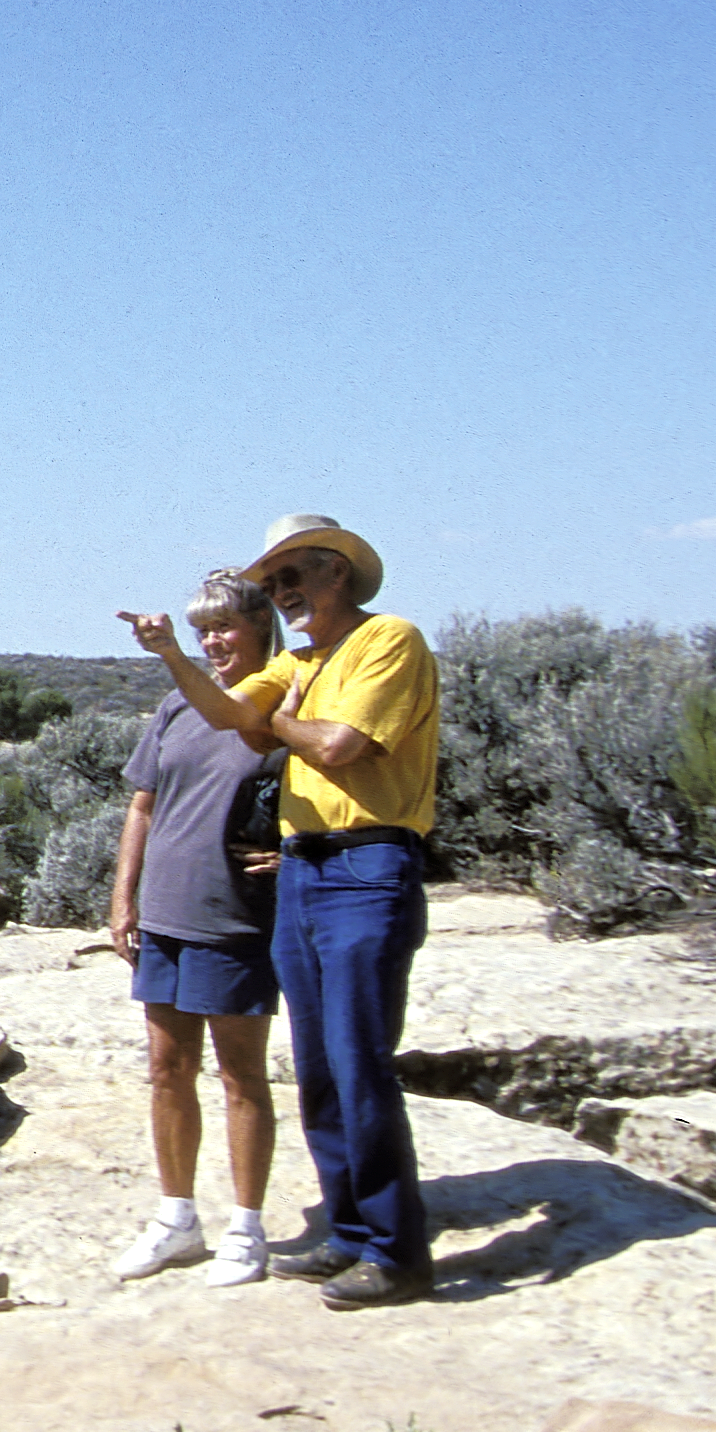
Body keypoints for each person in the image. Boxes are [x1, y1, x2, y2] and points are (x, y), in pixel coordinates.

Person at [121, 512, 441, 1310]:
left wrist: (281, 719)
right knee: (320, 1065)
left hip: (367, 862)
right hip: (304, 865)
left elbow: (336, 746)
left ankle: (397, 1251)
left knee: (359, 1056)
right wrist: (170, 655)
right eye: (275, 582)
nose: (285, 592)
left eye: (294, 575)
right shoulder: (301, 659)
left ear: (339, 571)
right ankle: (349, 1233)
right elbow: (229, 712)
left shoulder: (386, 641)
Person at [106, 572, 284, 1286]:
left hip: (234, 917)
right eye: (203, 631)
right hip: (167, 912)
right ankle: (176, 1217)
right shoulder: (177, 706)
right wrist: (123, 899)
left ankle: (246, 1227)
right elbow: (142, 806)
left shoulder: (280, 708)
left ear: (258, 629)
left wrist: (296, 852)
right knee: (165, 1069)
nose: (212, 642)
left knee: (241, 1074)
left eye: (224, 628)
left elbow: (328, 798)